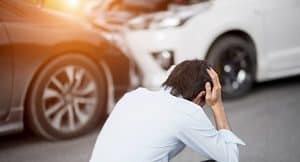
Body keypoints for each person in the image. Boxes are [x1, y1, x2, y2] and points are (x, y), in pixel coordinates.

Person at [89, 59, 245, 162]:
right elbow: (230, 158)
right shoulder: (187, 112)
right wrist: (217, 105)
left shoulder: (134, 96)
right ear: (201, 95)